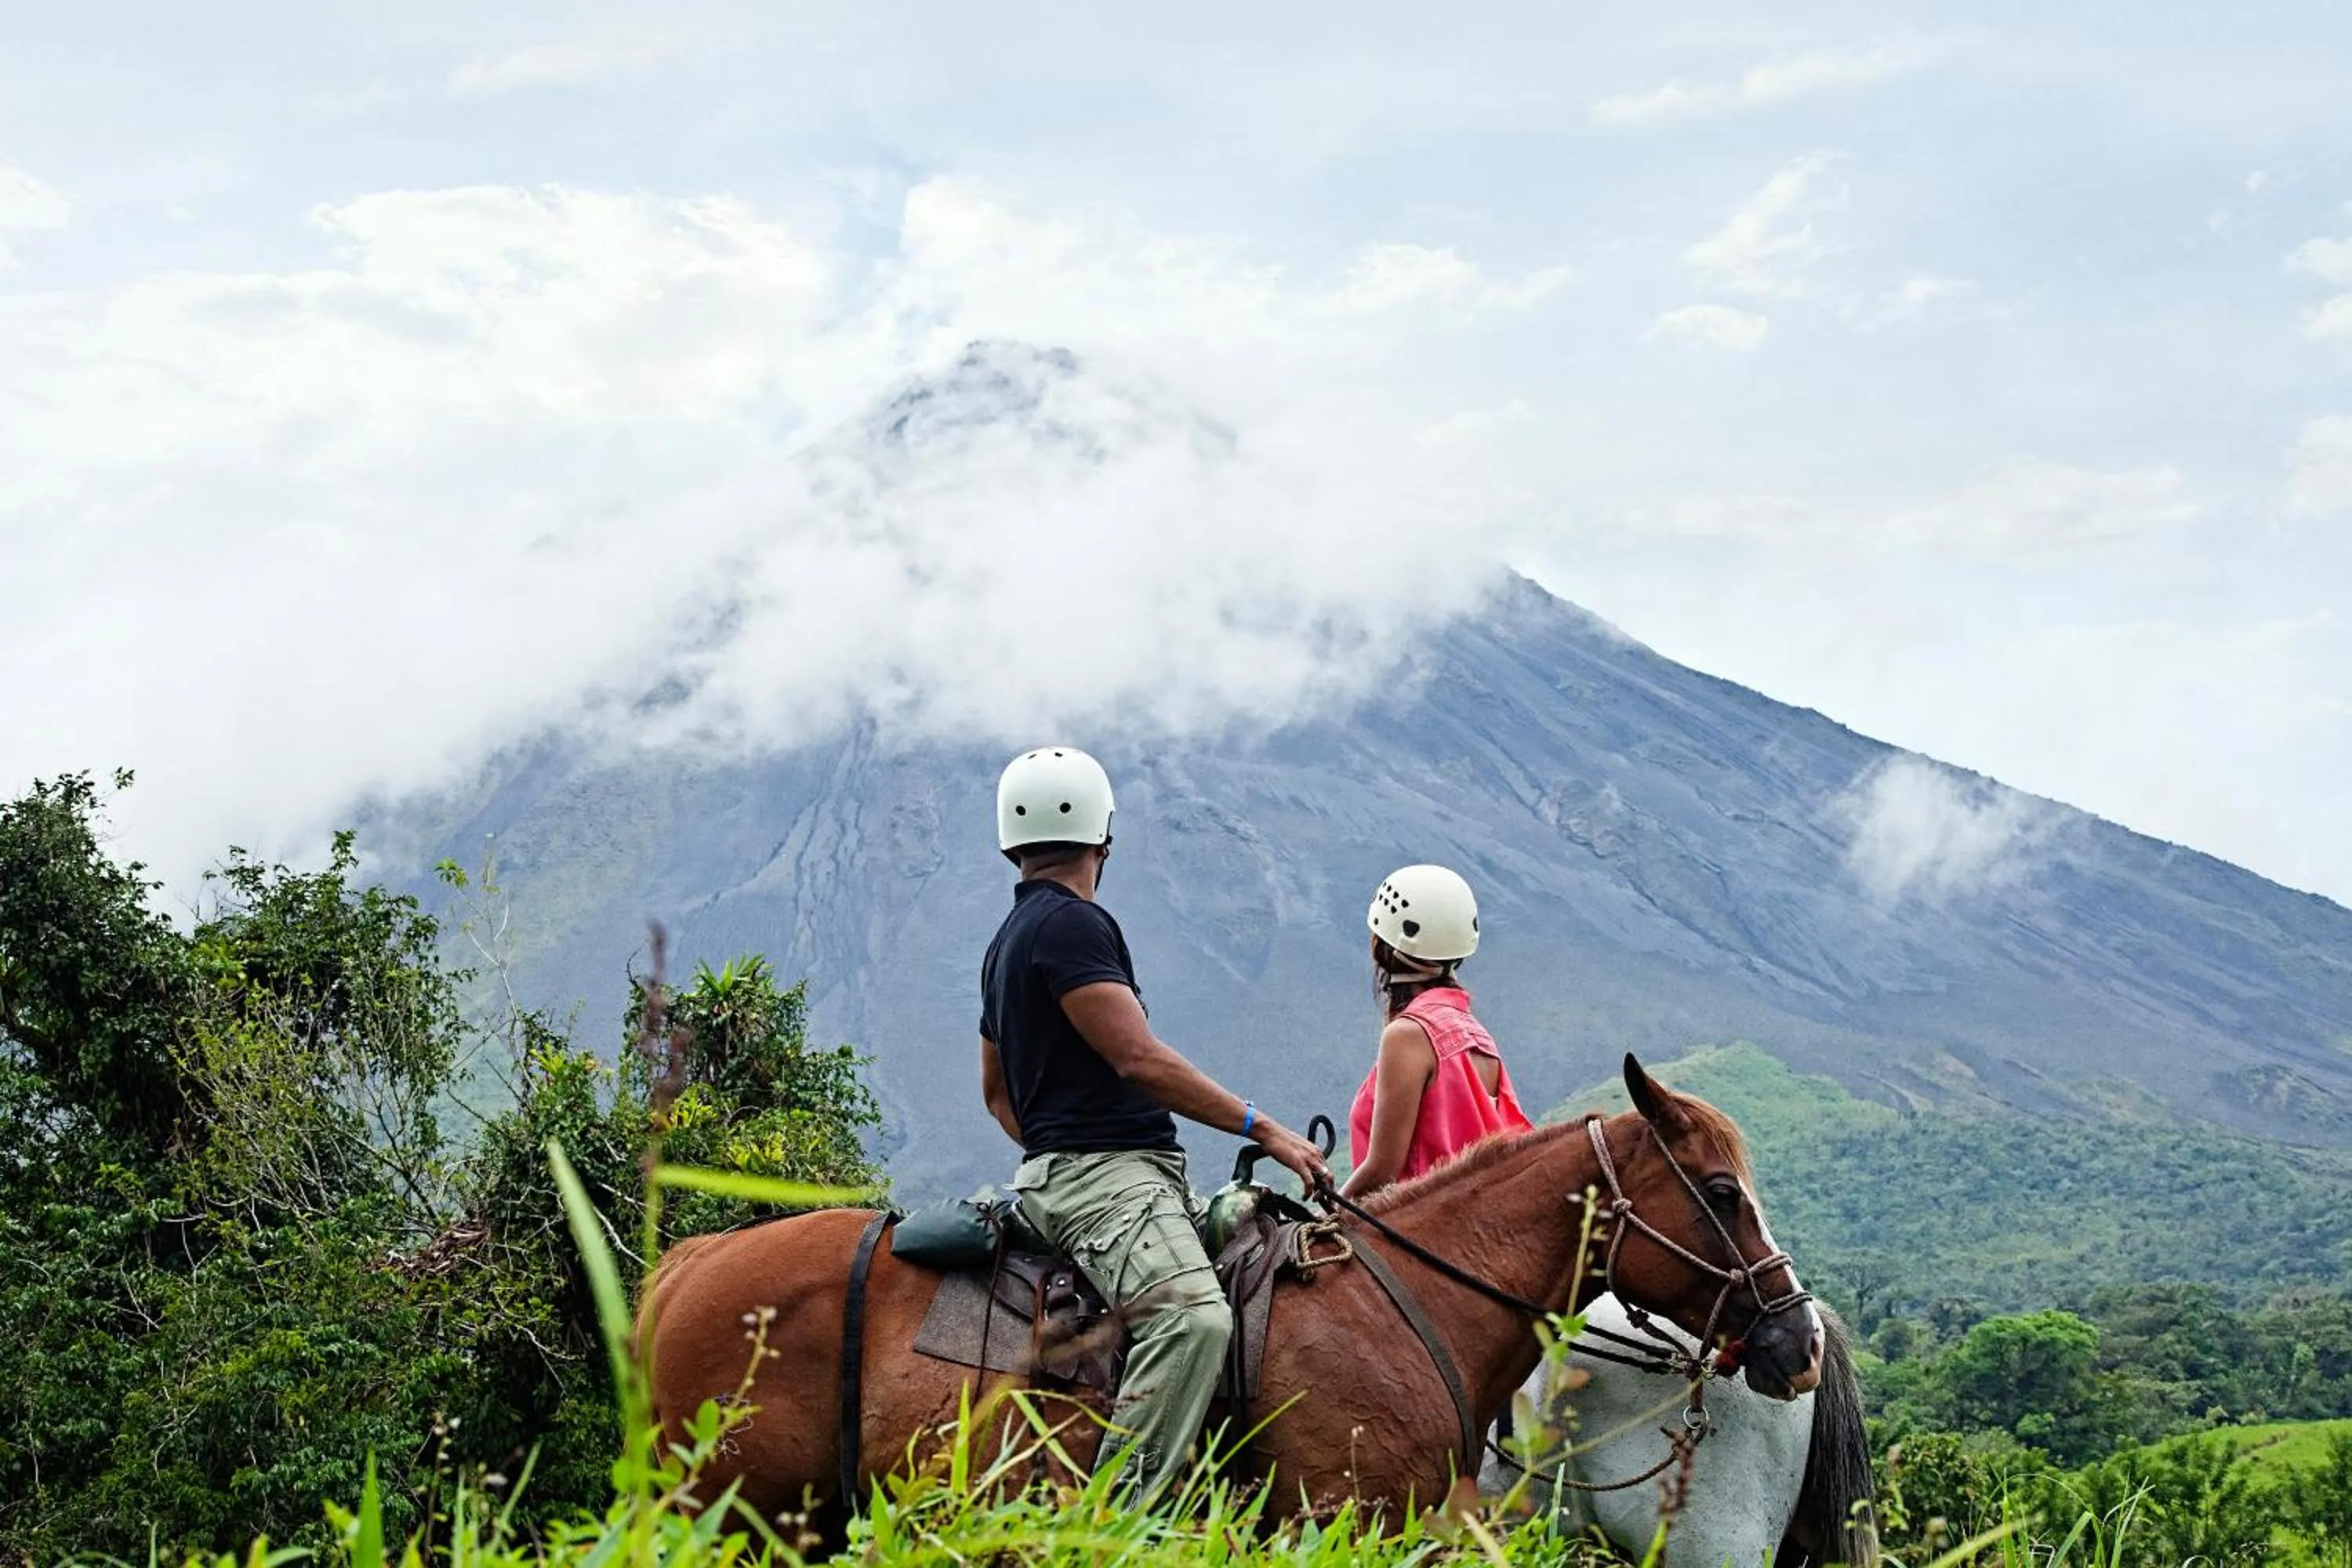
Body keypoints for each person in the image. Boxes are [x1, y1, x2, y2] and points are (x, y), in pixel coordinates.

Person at [978, 746, 1331, 1503]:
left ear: (1010, 841)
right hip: (1108, 1181)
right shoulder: (1074, 926)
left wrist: (1055, 1147)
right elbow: (1138, 1058)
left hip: (1081, 1173)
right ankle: (1115, 1523)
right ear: (1104, 837)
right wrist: (1260, 1127)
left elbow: (997, 1096)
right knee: (1195, 1320)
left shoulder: (1006, 942)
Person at [1341, 864, 1533, 1199]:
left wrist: (1323, 1218)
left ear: (1381, 944)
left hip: (1412, 1235)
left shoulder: (1409, 1035)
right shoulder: (1475, 1033)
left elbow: (1382, 1171)